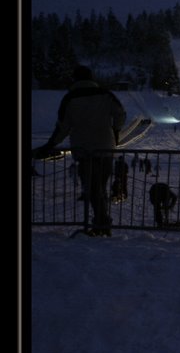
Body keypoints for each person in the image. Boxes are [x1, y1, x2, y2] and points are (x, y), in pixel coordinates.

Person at [32, 66, 126, 236]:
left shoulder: (70, 99)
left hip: (84, 150)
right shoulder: (105, 94)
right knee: (101, 187)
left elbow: (62, 127)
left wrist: (49, 145)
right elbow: (120, 114)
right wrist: (115, 132)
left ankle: (102, 224)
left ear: (74, 79)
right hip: (106, 147)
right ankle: (102, 223)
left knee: (92, 188)